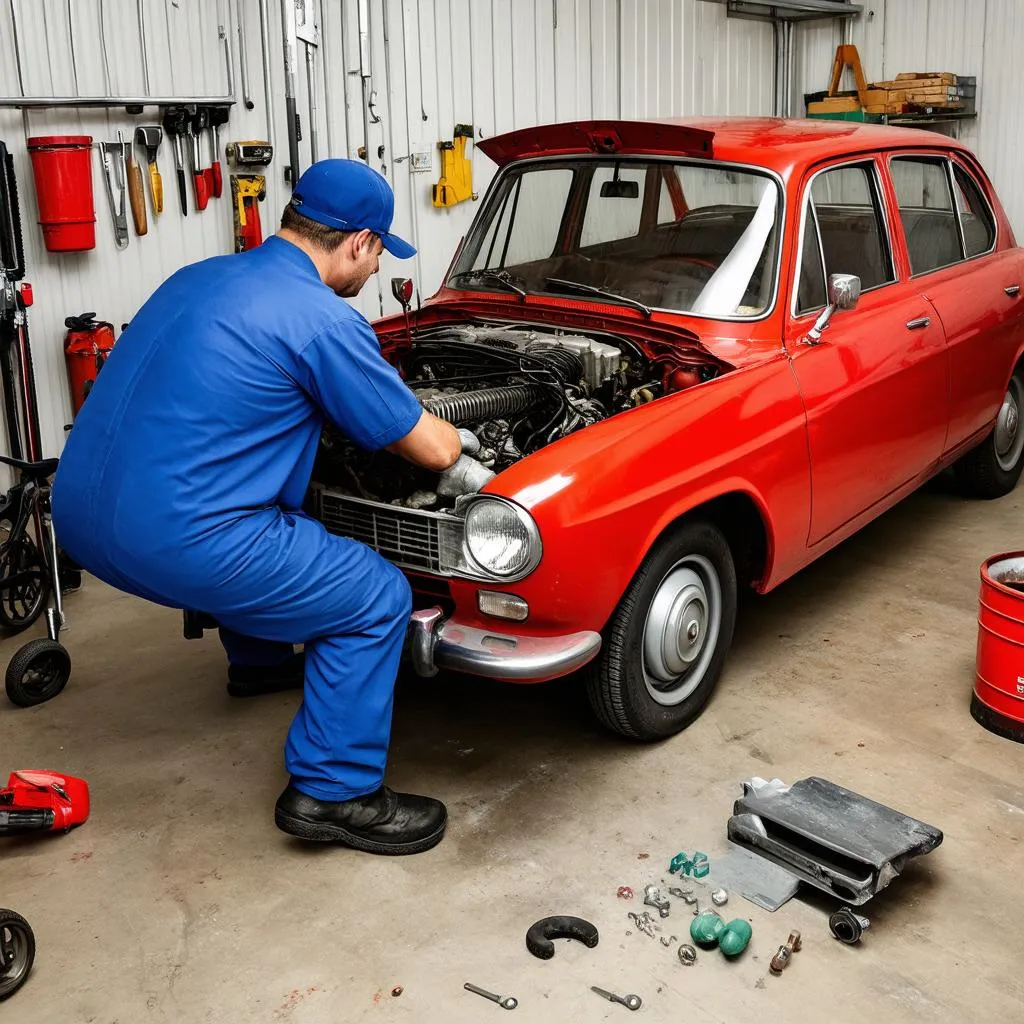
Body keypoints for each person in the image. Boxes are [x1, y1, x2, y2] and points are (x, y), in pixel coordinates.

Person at [52, 159, 463, 856]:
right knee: (374, 596)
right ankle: (334, 793)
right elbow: (433, 452)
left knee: (286, 522)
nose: (370, 275)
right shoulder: (319, 319)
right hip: (177, 538)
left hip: (80, 517)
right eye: (377, 254)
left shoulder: (200, 275)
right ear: (360, 242)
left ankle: (261, 663)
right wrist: (460, 431)